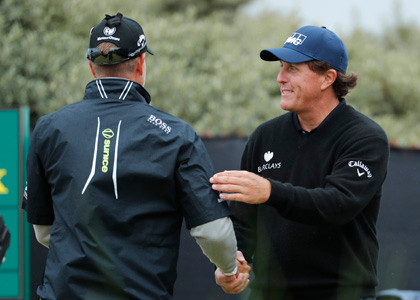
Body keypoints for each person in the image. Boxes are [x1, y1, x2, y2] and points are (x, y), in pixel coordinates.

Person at [22, 12, 249, 300]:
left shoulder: (48, 128)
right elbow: (213, 231)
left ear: (92, 67)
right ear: (141, 63)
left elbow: (44, 231)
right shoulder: (176, 134)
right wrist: (229, 269)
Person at [211, 25, 389, 300]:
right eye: (281, 68)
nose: (280, 78)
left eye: (292, 69)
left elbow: (337, 205)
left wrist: (270, 191)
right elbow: (243, 223)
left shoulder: (365, 137)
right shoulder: (265, 136)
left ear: (327, 78)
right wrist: (230, 265)